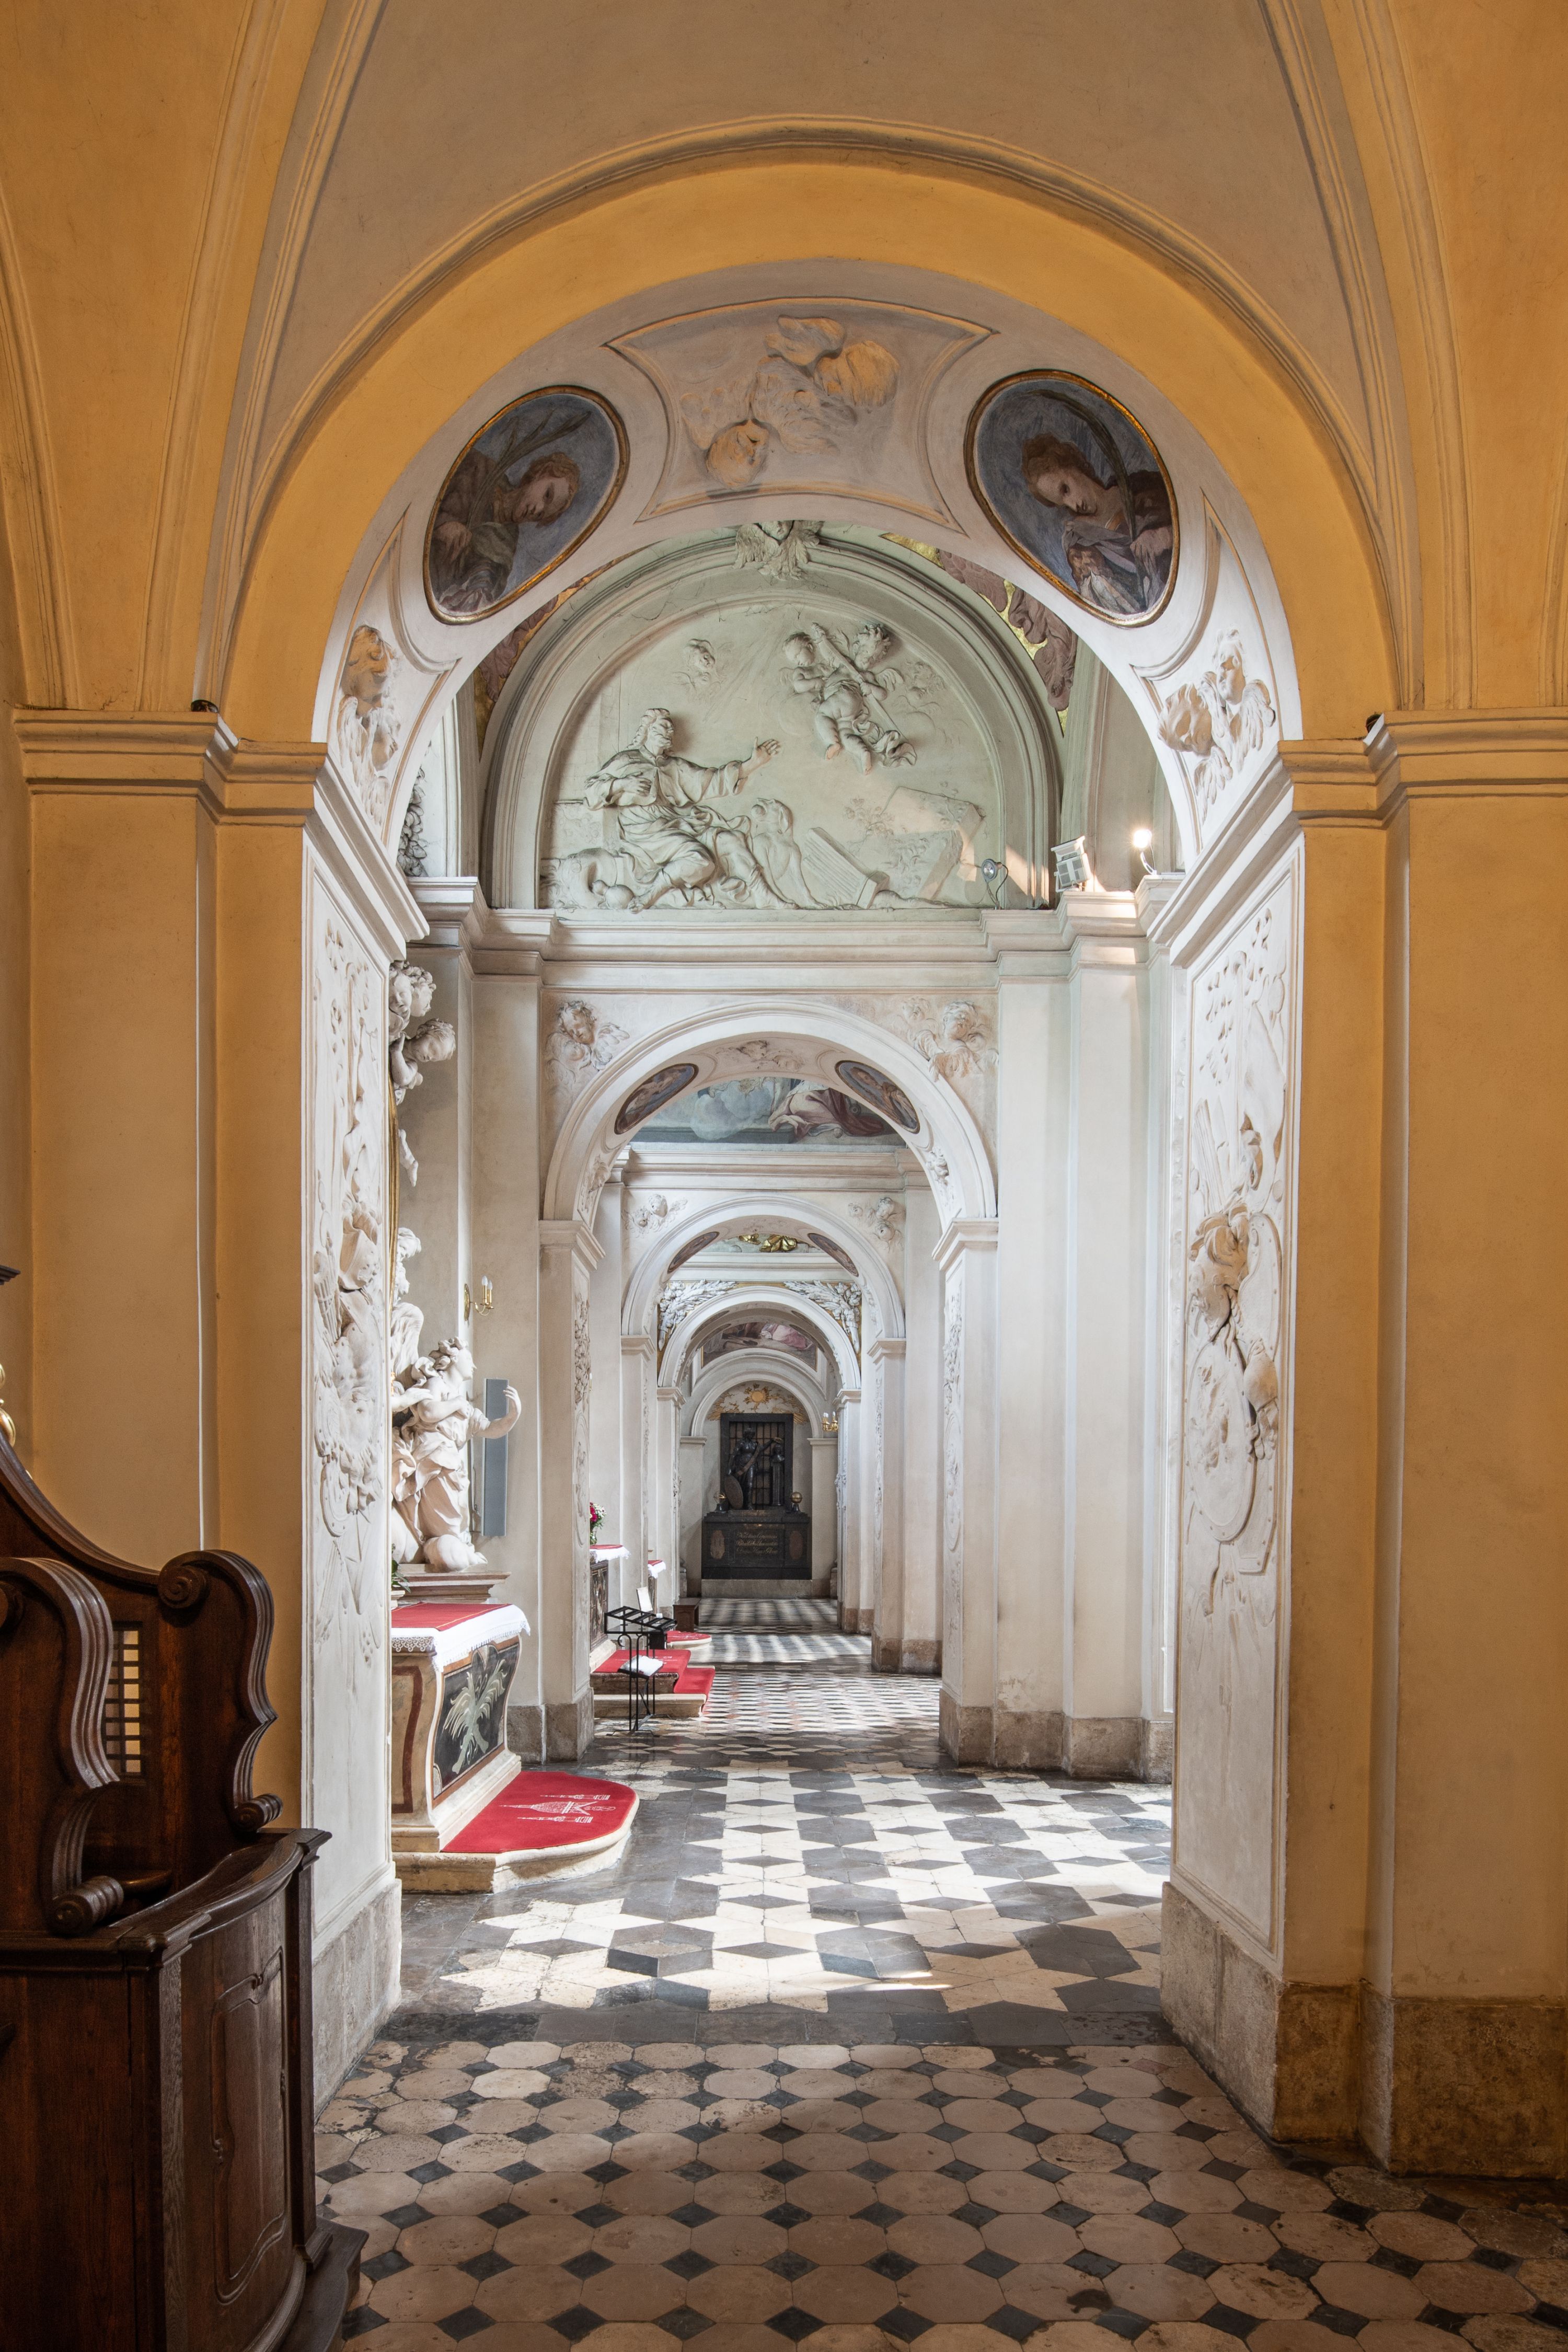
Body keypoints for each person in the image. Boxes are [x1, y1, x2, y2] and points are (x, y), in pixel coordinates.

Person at [561, 707, 781, 910]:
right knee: (700, 860)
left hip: (675, 824)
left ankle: (764, 896)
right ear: (648, 730)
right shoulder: (626, 760)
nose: (670, 732)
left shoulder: (674, 766)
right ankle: (650, 896)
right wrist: (622, 784)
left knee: (731, 839)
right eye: (664, 726)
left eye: (671, 729)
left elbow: (711, 781)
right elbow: (591, 791)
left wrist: (752, 764)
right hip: (644, 831)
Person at [1020, 431, 1173, 617]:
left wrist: (1163, 535)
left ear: (1072, 465)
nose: (1074, 505)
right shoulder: (1080, 543)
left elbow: (1185, 519)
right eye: (1064, 504)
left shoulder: (1139, 485)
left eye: (1066, 490)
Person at [429, 445, 580, 615]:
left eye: (542, 514)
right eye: (547, 495)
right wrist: (442, 524)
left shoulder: (504, 545)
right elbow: (432, 468)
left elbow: (483, 579)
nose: (537, 509)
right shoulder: (483, 469)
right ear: (540, 473)